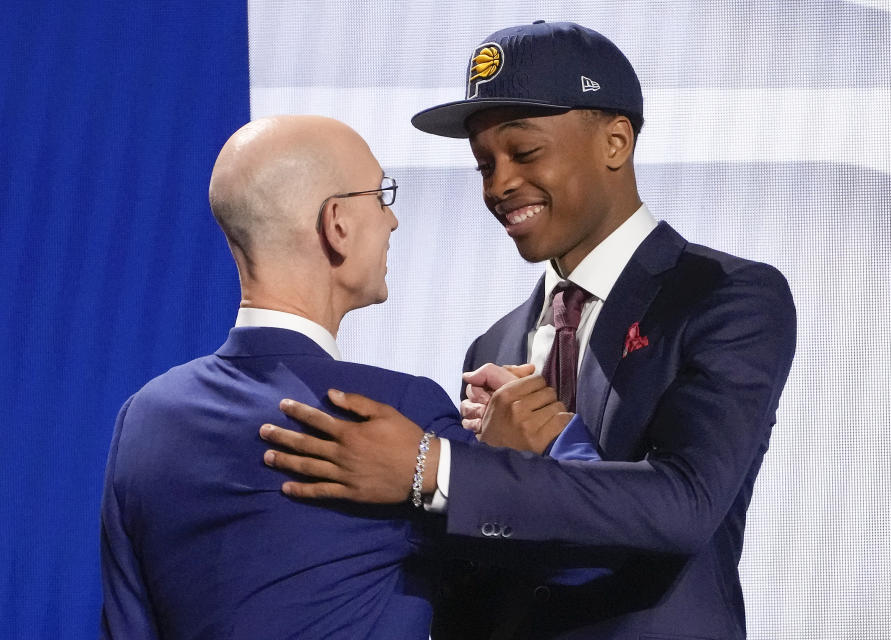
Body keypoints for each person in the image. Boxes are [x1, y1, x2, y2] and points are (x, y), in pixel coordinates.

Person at [259, 21, 797, 640]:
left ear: (615, 142)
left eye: (525, 152)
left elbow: (686, 506)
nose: (498, 184)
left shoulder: (725, 296)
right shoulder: (493, 346)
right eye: (483, 163)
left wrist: (439, 468)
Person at [99, 115, 580, 639]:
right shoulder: (392, 408)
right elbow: (580, 560)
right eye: (381, 197)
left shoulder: (144, 417)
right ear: (337, 224)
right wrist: (502, 465)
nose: (392, 222)